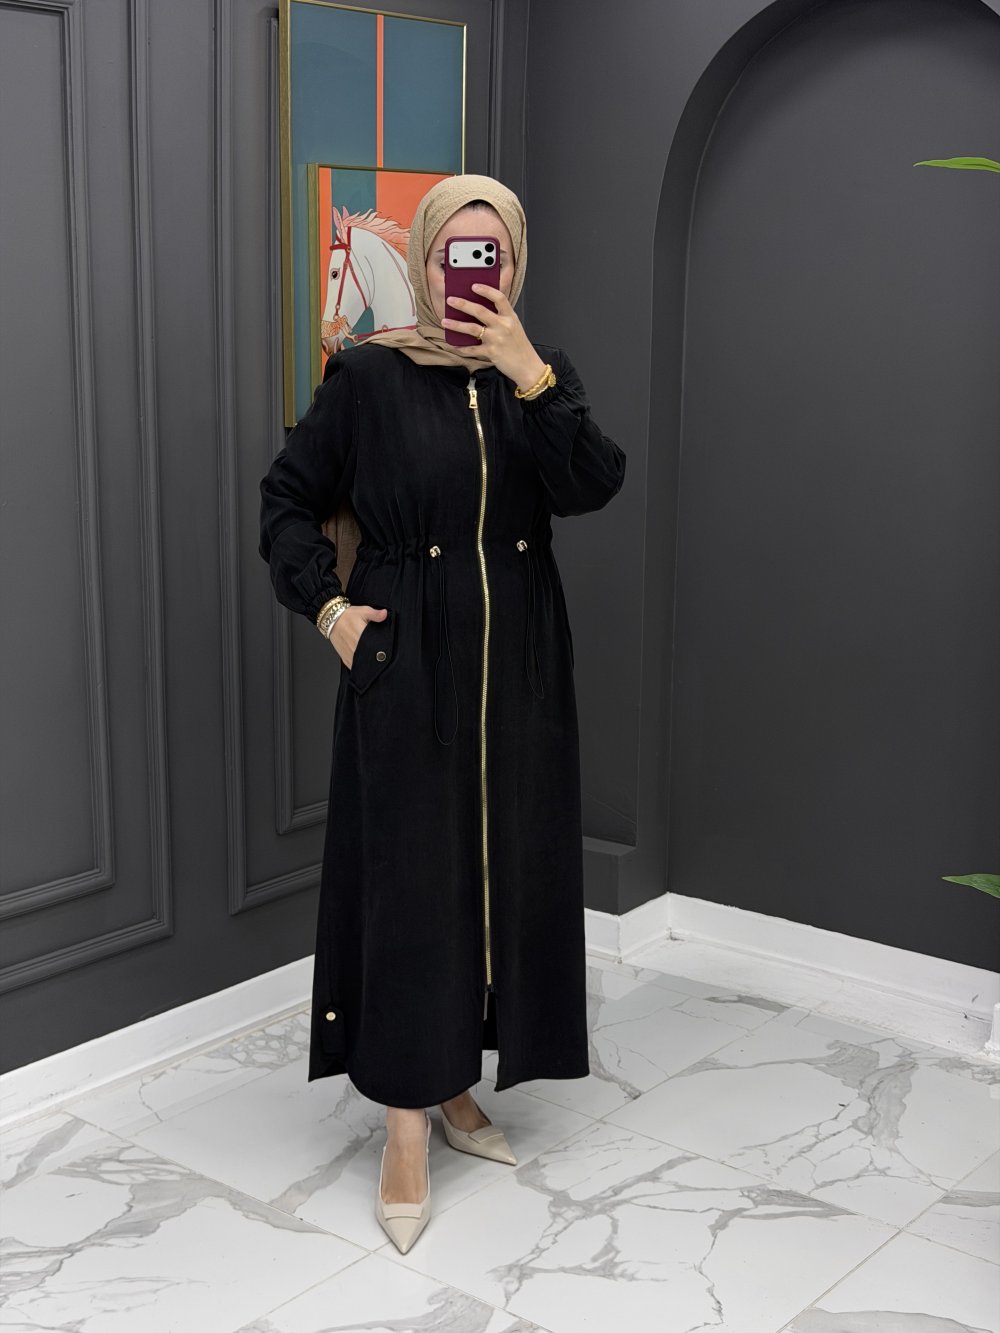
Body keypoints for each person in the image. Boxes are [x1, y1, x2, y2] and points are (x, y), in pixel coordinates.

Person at [258, 173, 626, 1253]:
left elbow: (594, 484)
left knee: (499, 874)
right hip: (406, 658)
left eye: (492, 254)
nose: (476, 272)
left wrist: (529, 374)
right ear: (422, 263)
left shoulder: (538, 374)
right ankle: (407, 1125)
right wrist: (330, 610)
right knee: (414, 884)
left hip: (521, 666)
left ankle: (458, 1080)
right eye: (456, 253)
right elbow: (286, 499)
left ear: (513, 263)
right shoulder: (369, 377)